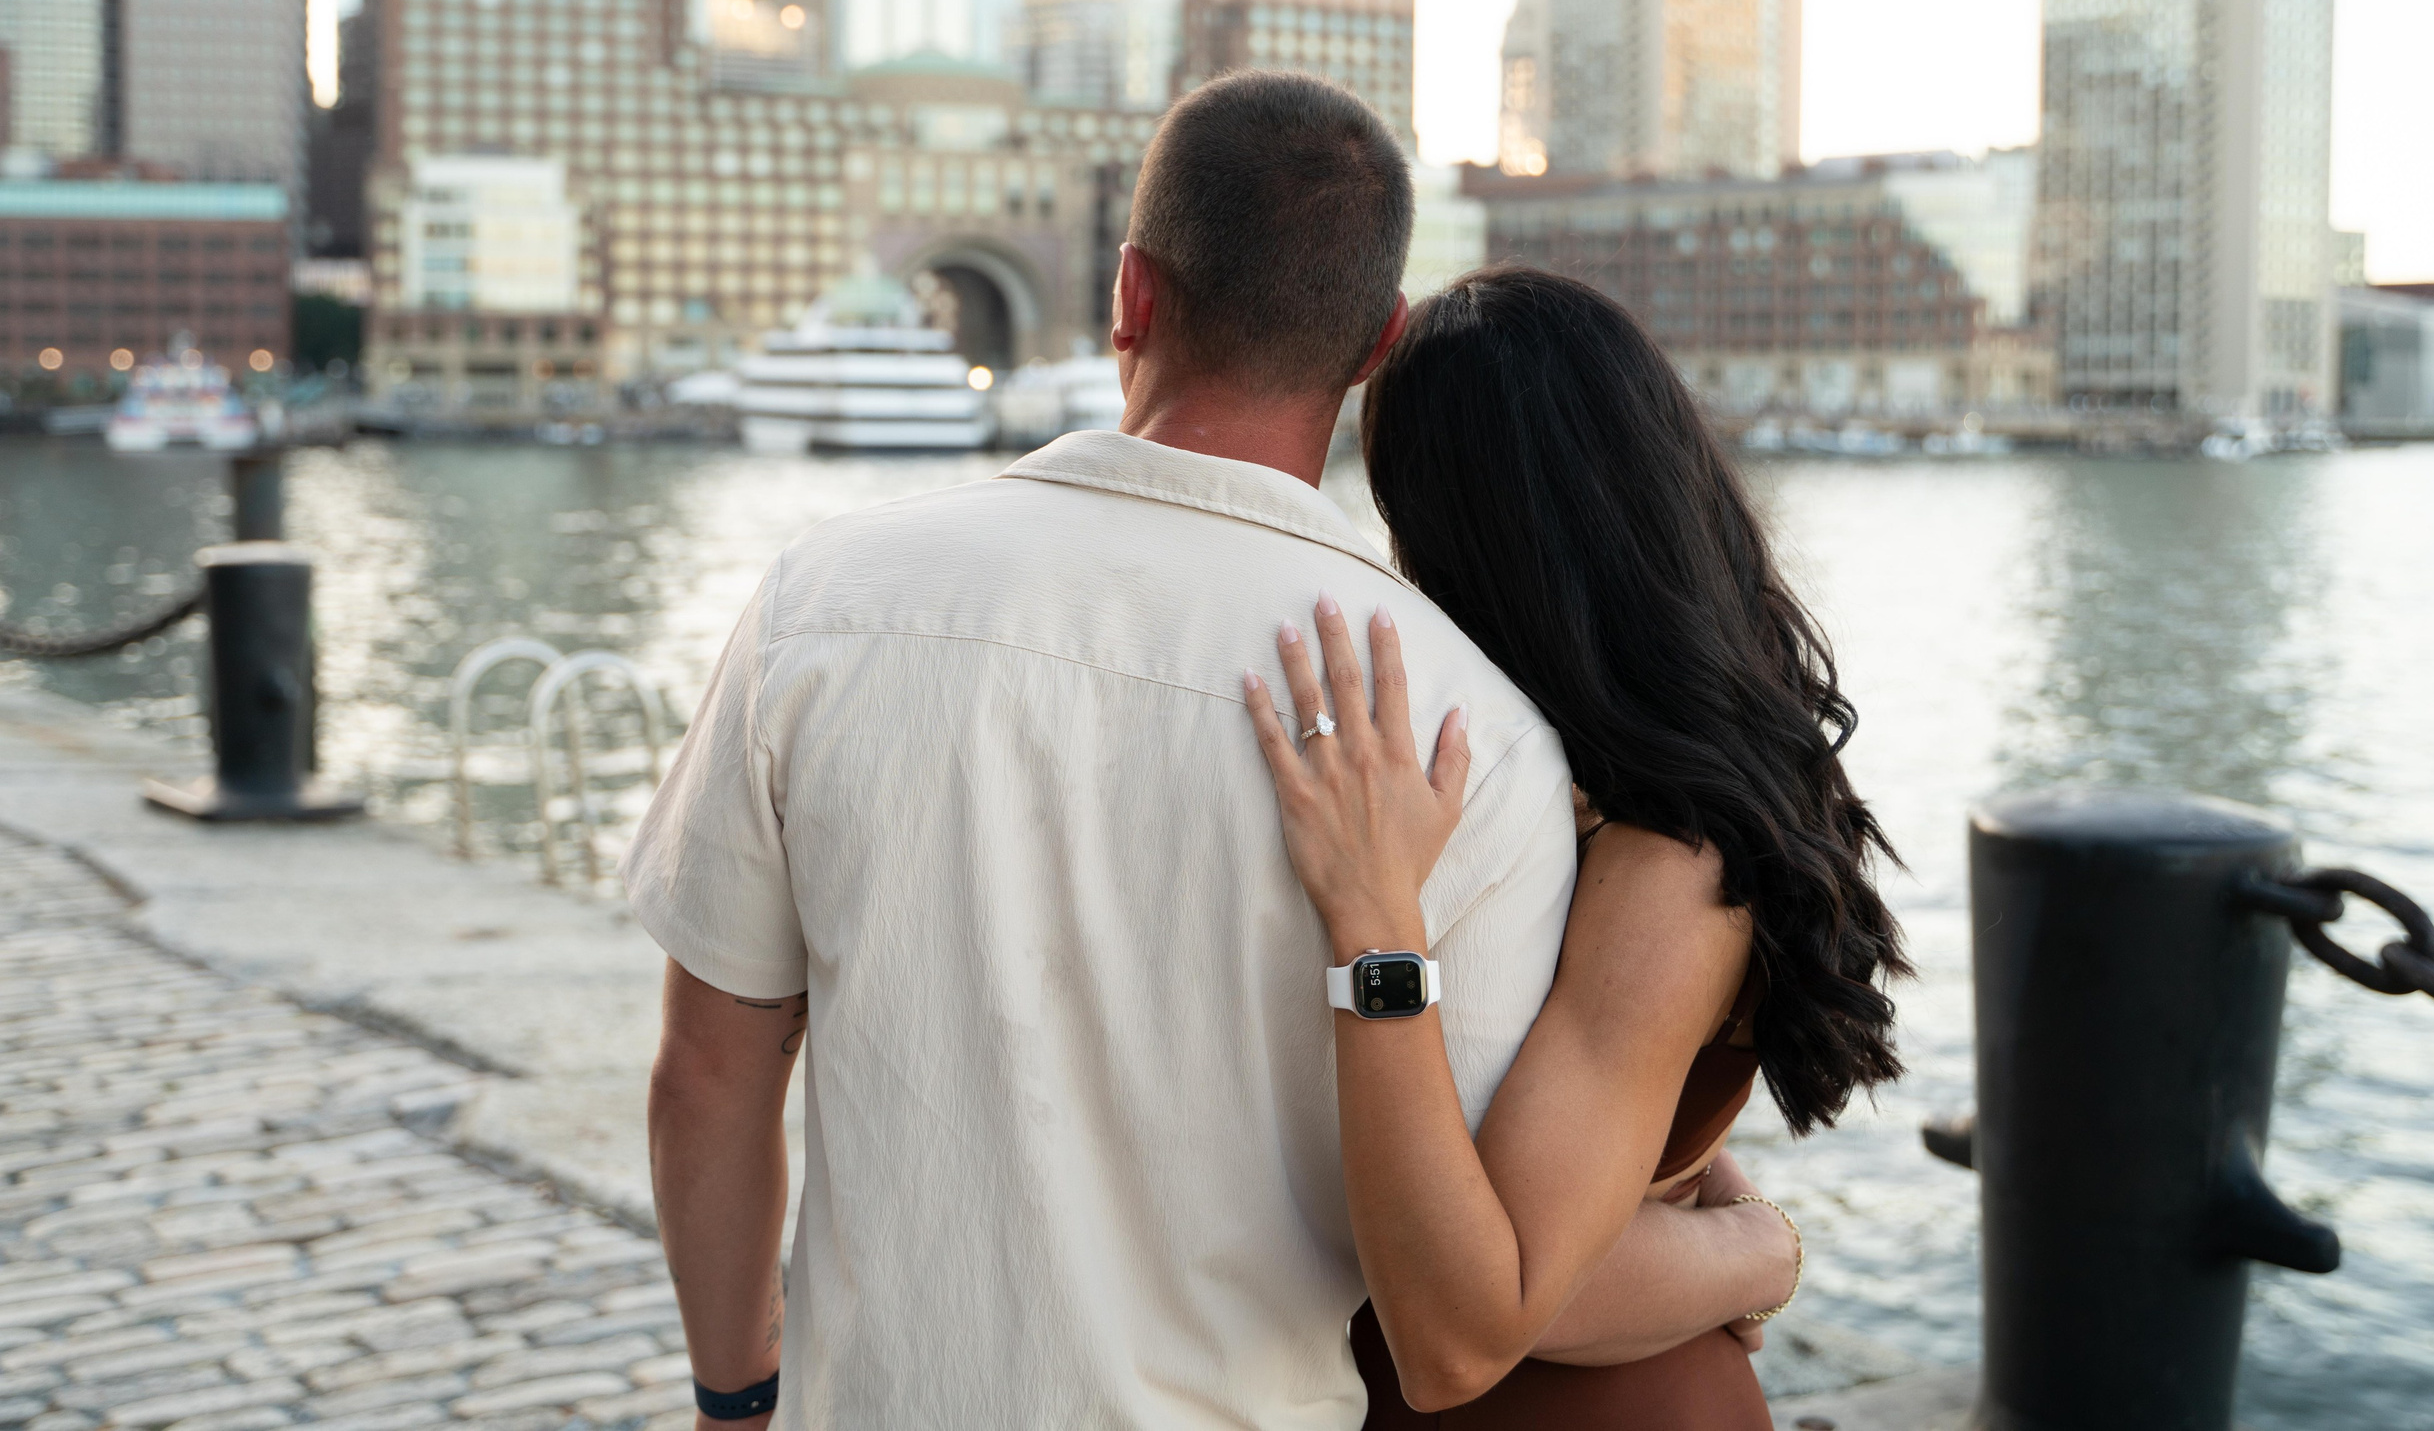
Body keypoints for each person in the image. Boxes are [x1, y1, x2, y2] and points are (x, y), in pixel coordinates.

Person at [627, 75, 1785, 1430]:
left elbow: (710, 1069)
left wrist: (737, 1392)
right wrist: (1757, 1244)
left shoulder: (823, 602)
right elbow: (1462, 1273)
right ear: (1375, 348)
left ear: (1130, 294)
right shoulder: (1465, 737)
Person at [1239, 268, 1911, 1427]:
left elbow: (1499, 1308)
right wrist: (1720, 1208)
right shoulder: (1565, 783)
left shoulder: (1669, 858)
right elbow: (1614, 1118)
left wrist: (1761, 1250)